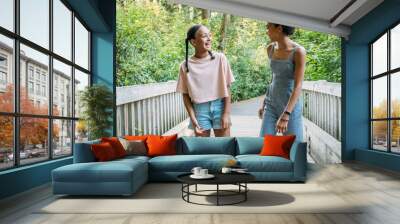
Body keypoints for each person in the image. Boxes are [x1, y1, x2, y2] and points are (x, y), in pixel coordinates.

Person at [176, 24, 235, 137]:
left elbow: (227, 87)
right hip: (199, 110)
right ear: (193, 42)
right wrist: (193, 120)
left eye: (210, 35)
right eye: (204, 36)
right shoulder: (185, 66)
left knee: (225, 147)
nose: (209, 39)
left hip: (220, 106)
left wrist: (226, 114)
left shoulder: (220, 58)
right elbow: (185, 95)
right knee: (203, 149)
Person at [258, 23, 306, 141]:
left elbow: (298, 85)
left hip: (290, 107)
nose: (267, 31)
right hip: (271, 104)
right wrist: (264, 102)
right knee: (264, 144)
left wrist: (286, 114)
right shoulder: (270, 49)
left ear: (279, 28)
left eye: (268, 27)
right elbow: (273, 77)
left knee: (295, 148)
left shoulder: (298, 51)